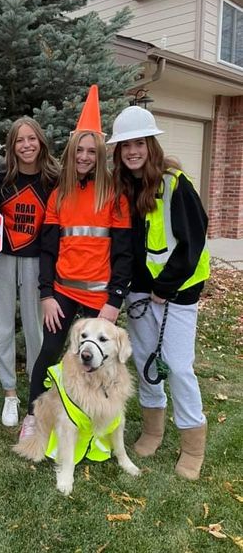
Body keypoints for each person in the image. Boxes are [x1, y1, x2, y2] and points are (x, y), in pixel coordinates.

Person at [19, 86, 133, 439]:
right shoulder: (59, 195)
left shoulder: (115, 196)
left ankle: (94, 418)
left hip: (99, 298)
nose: (84, 156)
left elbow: (124, 254)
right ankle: (33, 416)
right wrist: (46, 294)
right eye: (79, 150)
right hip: (63, 294)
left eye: (91, 151)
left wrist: (114, 301)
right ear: (71, 154)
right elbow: (48, 250)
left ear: (100, 155)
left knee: (98, 362)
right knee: (50, 352)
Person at [108, 105, 210, 480]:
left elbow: (192, 242)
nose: (132, 151)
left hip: (178, 292)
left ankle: (192, 442)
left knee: (179, 368)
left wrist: (165, 288)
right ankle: (152, 429)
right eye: (125, 146)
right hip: (139, 293)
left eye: (138, 143)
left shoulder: (174, 184)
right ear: (118, 152)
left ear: (150, 145)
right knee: (147, 362)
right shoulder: (124, 187)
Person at [0, 117, 59, 427]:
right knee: (1, 326)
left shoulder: (54, 178)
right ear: (11, 147)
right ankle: (9, 394)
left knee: (36, 331)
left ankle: (34, 391)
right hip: (0, 259)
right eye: (20, 140)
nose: (26, 145)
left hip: (37, 262)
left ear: (40, 142)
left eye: (32, 139)